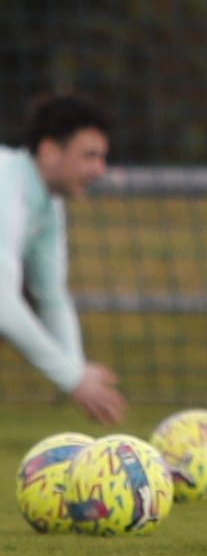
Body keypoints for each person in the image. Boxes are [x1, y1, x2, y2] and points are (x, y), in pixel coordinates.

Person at [0, 96, 125, 427]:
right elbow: (2, 304)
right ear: (49, 151)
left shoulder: (45, 202)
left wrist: (77, 368)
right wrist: (72, 377)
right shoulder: (6, 187)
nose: (100, 171)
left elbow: (51, 295)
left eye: (103, 158)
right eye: (90, 156)